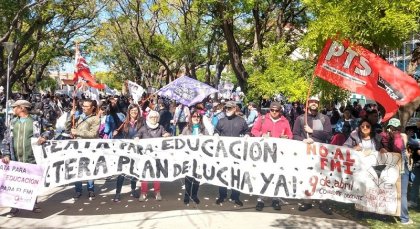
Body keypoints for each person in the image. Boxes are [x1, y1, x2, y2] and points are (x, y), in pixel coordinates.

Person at [1, 100, 54, 218]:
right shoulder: (13, 122)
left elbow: (50, 129)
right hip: (15, 159)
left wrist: (44, 136)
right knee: (14, 184)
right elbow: (6, 139)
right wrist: (6, 154)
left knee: (31, 183)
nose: (13, 109)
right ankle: (14, 207)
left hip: (32, 158)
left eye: (15, 107)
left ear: (22, 108)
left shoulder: (36, 120)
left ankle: (32, 204)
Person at [292, 95, 333, 214]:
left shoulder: (324, 118)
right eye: (312, 101)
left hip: (320, 154)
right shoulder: (300, 119)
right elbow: (295, 135)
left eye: (316, 102)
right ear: (308, 103)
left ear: (318, 104)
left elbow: (328, 135)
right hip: (305, 153)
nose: (314, 103)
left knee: (322, 177)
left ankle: (323, 202)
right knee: (307, 176)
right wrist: (303, 140)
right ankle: (307, 201)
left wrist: (312, 132)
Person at [251, 101, 293, 211]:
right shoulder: (263, 119)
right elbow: (254, 130)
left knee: (277, 176)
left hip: (279, 153)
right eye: (272, 110)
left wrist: (286, 137)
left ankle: (276, 199)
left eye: (277, 110)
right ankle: (261, 200)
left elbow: (290, 135)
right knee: (264, 176)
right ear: (269, 110)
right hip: (264, 153)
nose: (274, 112)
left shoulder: (285, 121)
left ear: (280, 111)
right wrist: (261, 134)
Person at [214, 101, 248, 206]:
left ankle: (235, 196)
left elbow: (247, 131)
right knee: (222, 174)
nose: (227, 110)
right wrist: (215, 134)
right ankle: (222, 195)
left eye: (229, 108)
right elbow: (216, 131)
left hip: (237, 154)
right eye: (226, 108)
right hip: (224, 153)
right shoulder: (221, 121)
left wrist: (247, 135)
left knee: (236, 175)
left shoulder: (241, 121)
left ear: (234, 109)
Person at [380, 118, 413, 225]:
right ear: (399, 127)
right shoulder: (401, 136)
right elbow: (402, 149)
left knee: (388, 190)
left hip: (389, 168)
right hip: (402, 168)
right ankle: (404, 218)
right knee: (402, 193)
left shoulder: (383, 136)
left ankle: (385, 213)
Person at [67, 98, 101, 200]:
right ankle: (78, 190)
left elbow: (93, 134)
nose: (84, 108)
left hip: (89, 147)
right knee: (77, 168)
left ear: (92, 108)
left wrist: (77, 133)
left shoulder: (96, 119)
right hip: (77, 147)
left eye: (86, 106)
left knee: (89, 167)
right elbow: (67, 127)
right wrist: (71, 116)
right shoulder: (79, 117)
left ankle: (91, 189)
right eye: (83, 106)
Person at [136, 110, 171, 201]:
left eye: (156, 117)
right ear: (148, 118)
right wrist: (136, 137)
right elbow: (137, 135)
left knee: (156, 174)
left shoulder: (160, 127)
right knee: (144, 174)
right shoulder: (143, 128)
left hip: (157, 156)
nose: (154, 119)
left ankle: (157, 192)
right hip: (145, 156)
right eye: (152, 117)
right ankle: (143, 193)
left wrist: (167, 135)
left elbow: (165, 134)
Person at [112, 104, 143, 202]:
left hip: (136, 150)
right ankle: (118, 193)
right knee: (122, 172)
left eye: (136, 110)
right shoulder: (124, 123)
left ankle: (133, 190)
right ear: (129, 112)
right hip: (125, 150)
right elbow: (119, 136)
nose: (134, 112)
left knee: (134, 171)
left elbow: (144, 133)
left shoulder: (141, 122)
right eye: (132, 110)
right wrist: (115, 133)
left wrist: (139, 136)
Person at [181, 110, 209, 205]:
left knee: (197, 177)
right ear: (191, 118)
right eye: (194, 116)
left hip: (200, 156)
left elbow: (209, 141)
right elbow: (181, 142)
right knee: (188, 177)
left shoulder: (204, 129)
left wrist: (204, 137)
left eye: (198, 117)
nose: (196, 118)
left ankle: (194, 195)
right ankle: (187, 195)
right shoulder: (186, 129)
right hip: (189, 157)